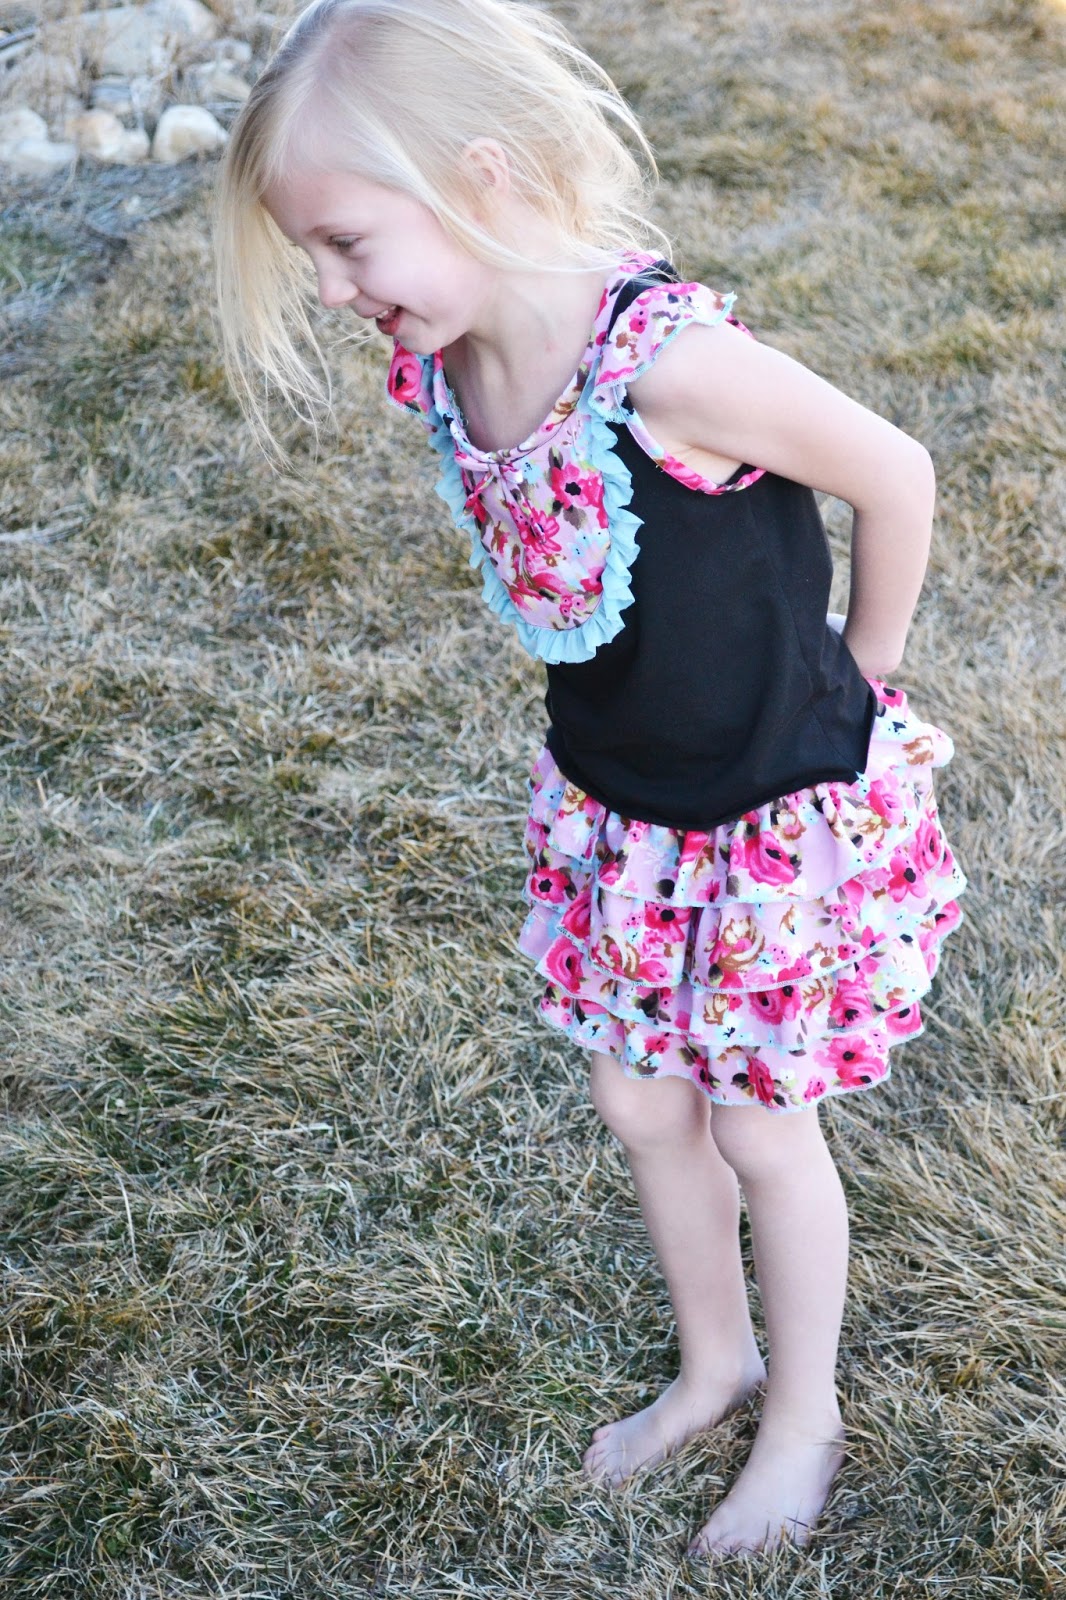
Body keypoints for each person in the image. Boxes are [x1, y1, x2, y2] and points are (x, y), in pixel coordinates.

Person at [214, 0, 967, 1560]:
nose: (338, 289)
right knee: (637, 1097)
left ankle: (803, 1414)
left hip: (767, 814)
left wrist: (867, 675)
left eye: (349, 245)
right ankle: (714, 1363)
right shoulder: (456, 364)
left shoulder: (673, 368)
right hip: (628, 811)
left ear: (477, 178)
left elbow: (893, 473)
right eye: (316, 259)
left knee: (757, 1126)